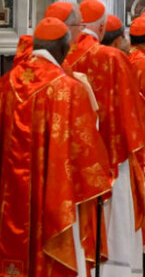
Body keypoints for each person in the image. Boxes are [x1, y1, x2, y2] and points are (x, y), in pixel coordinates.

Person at [0, 18, 112, 277]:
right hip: (57, 196)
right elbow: (86, 151)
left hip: (10, 197)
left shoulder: (5, 85)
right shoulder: (69, 89)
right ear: (64, 50)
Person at [62, 12, 145, 277]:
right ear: (100, 27)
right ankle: (119, 267)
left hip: (78, 155)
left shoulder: (66, 57)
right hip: (115, 151)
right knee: (119, 207)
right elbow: (132, 106)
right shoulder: (112, 57)